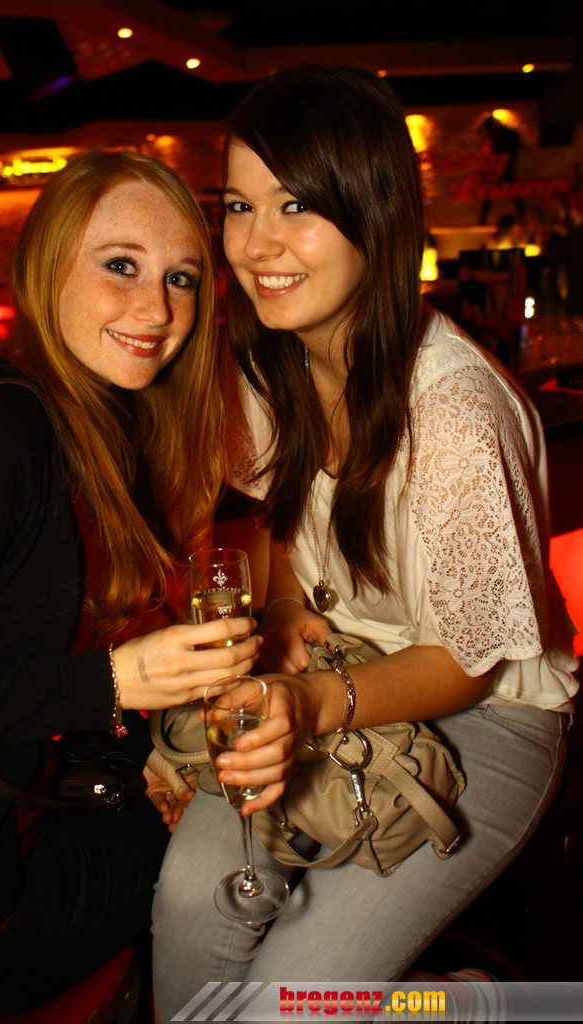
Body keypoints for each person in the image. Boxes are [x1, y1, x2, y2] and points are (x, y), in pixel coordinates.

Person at [151, 66, 579, 1019]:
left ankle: (477, 1007)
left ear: (374, 214)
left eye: (296, 205)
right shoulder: (271, 363)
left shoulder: (454, 415)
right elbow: (282, 520)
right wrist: (285, 610)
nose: (256, 244)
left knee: (282, 1004)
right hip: (334, 674)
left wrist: (308, 703)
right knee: (187, 907)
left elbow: (470, 662)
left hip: (490, 715)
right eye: (238, 206)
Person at [0, 149, 261, 1022]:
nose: (157, 309)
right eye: (120, 266)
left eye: (180, 278)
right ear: (46, 265)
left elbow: (9, 653)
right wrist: (112, 683)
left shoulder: (92, 421)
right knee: (249, 865)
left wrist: (138, 744)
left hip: (6, 835)